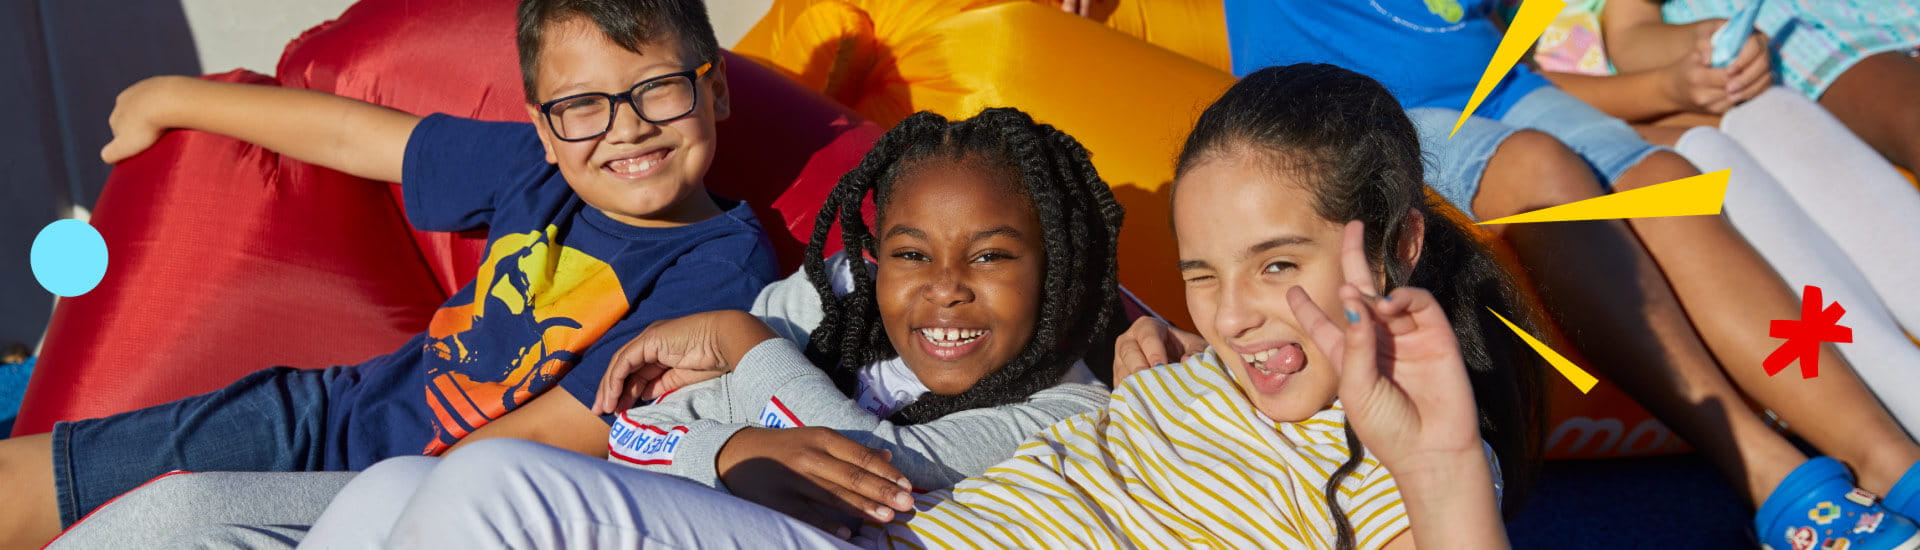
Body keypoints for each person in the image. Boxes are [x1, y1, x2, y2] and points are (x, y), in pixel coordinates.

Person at [197, 63, 1537, 550]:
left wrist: (1433, 458)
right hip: (888, 529)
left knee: (493, 490)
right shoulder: (1181, 364)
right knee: (384, 503)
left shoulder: (1407, 460)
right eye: (1203, 269)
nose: (1239, 312)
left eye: (1283, 264)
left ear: (1400, 240)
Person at [49, 107, 1131, 549]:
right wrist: (728, 438)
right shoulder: (844, 297)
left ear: (1062, 265)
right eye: (911, 254)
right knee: (371, 493)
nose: (942, 291)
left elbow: (860, 474)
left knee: (488, 484)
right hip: (692, 501)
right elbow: (645, 430)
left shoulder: (1064, 407)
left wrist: (747, 354)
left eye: (991, 257)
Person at [0, 1, 782, 547]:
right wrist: (176, 98)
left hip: (409, 490)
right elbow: (355, 136)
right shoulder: (536, 174)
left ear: (712, 89)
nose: (628, 126)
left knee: (163, 523)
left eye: (658, 89)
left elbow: (555, 438)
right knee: (18, 483)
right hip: (325, 412)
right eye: (583, 106)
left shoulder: (719, 267)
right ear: (544, 126)